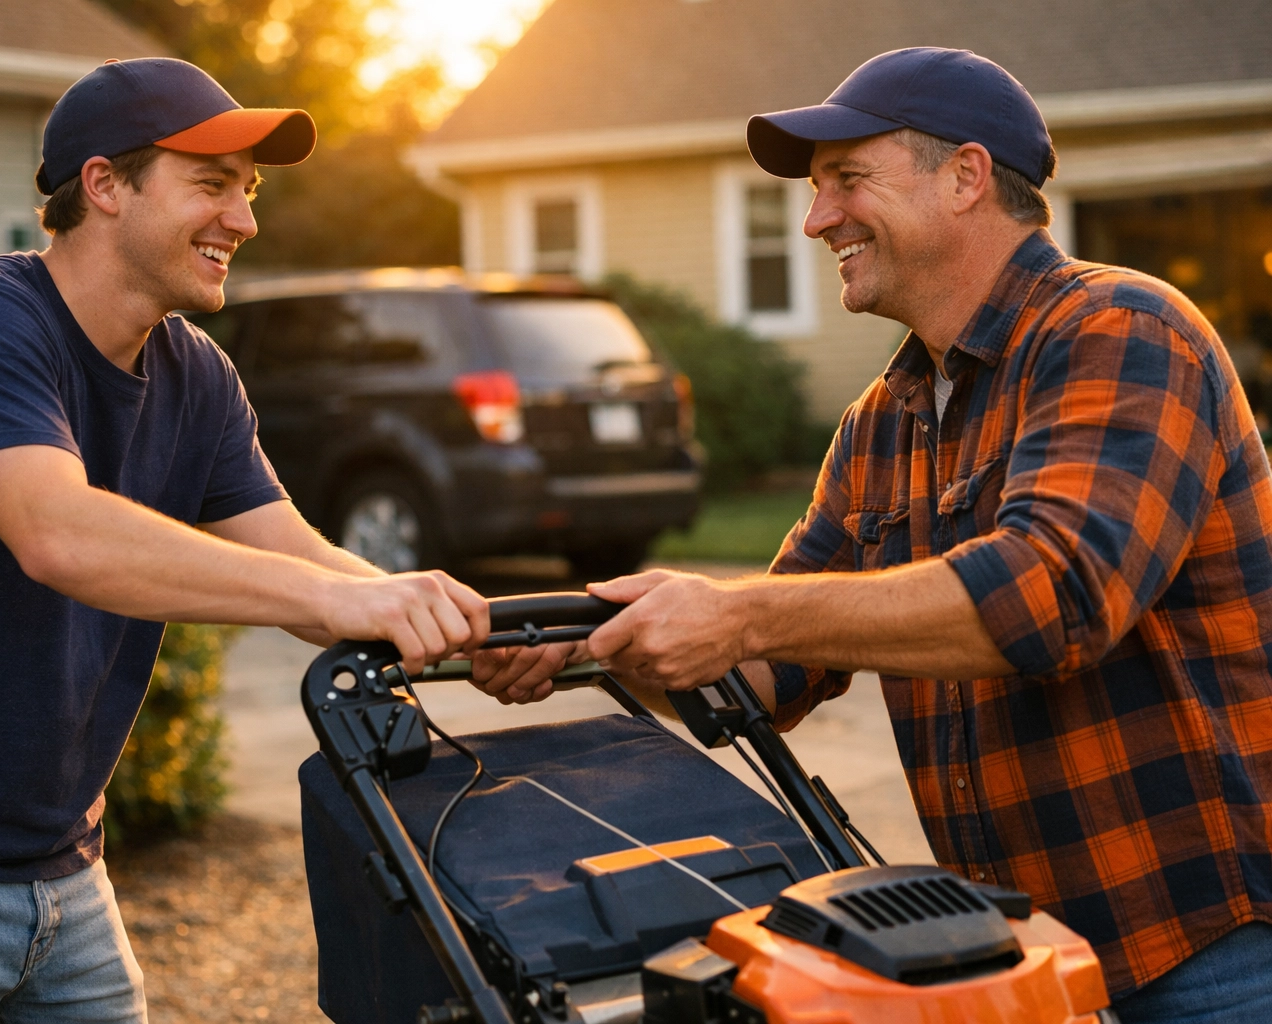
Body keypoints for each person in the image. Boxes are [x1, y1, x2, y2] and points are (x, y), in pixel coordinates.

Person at [0, 58, 556, 1023]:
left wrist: (455, 621)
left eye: (247, 192)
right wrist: (339, 600)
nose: (245, 221)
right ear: (104, 185)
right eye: (211, 185)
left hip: (57, 871)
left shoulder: (195, 372)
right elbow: (58, 532)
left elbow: (297, 555)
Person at [502, 48, 1272, 1021]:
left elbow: (1054, 596)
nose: (817, 218)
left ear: (966, 176)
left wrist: (739, 615)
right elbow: (765, 674)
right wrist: (588, 640)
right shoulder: (885, 421)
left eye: (846, 181)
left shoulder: (1120, 329)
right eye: (817, 192)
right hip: (1021, 964)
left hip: (1213, 951)